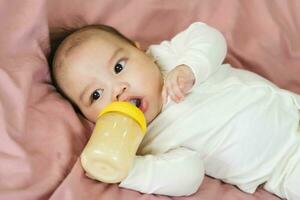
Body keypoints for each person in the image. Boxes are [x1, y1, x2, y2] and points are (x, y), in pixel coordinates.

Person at [50, 22, 300, 199]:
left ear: (140, 51)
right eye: (95, 95)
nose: (117, 89)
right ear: (88, 117)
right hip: (285, 166)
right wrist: (122, 168)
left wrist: (190, 67)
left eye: (118, 67)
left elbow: (208, 36)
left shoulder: (167, 57)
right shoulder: (144, 141)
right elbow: (189, 175)